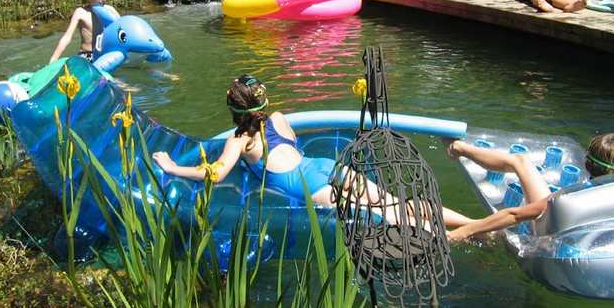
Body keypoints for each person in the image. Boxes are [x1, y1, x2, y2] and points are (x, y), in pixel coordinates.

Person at [153, 75, 473, 229]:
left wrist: (173, 168)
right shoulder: (278, 119)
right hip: (323, 166)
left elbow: (215, 172)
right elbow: (297, 136)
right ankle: (472, 223)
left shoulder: (239, 141)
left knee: (388, 217)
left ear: (233, 112)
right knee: (396, 202)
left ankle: (464, 235)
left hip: (306, 186)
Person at [445, 133, 614, 243]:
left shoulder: (581, 195)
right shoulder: (581, 196)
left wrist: (462, 233)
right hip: (554, 233)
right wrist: (462, 233)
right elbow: (515, 215)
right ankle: (480, 230)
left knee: (521, 161)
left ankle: (460, 148)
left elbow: (514, 214)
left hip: (554, 232)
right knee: (521, 162)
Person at [49, 0, 115, 63]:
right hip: (87, 55)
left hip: (104, 54)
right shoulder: (80, 12)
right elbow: (67, 37)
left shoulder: (110, 10)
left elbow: (122, 30)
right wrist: (54, 59)